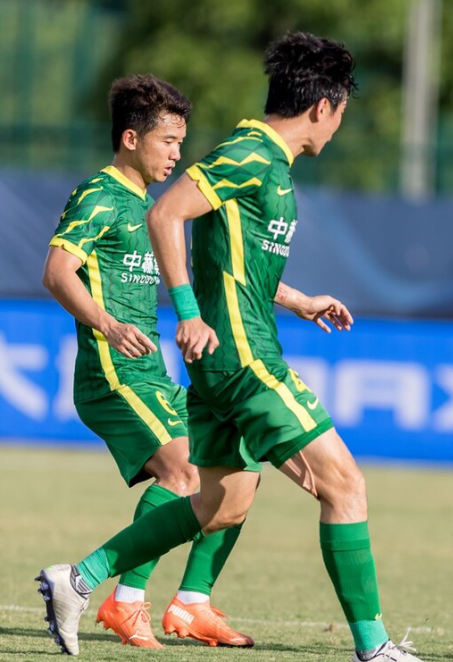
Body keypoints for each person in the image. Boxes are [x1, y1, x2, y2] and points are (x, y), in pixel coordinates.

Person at [37, 32, 422, 662]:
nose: (338, 126)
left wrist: (298, 300)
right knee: (345, 484)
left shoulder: (269, 164)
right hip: (243, 360)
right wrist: (187, 314)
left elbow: (229, 263)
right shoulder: (252, 153)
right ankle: (374, 649)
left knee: (221, 503)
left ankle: (79, 580)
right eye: (342, 113)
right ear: (323, 107)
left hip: (223, 363)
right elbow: (165, 216)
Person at [40, 74, 251, 650]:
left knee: (238, 464)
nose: (178, 154)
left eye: (182, 142)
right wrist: (107, 324)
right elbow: (57, 273)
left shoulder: (153, 209)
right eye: (168, 141)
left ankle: (192, 602)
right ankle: (123, 600)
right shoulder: (100, 195)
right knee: (184, 473)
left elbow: (212, 278)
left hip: (151, 376)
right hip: (111, 376)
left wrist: (298, 299)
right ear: (131, 139)